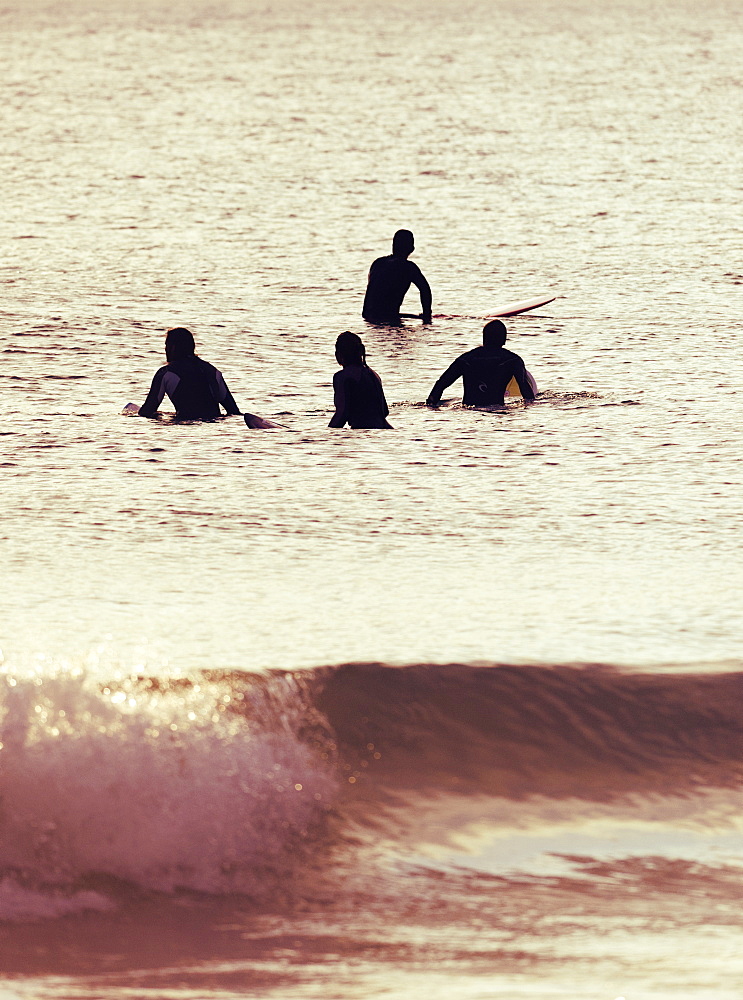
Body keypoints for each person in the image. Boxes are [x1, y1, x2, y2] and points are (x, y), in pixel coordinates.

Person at [426, 320, 536, 408]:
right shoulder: (512, 360)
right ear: (504, 340)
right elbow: (525, 390)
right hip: (497, 409)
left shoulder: (466, 359)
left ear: (484, 338)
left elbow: (441, 384)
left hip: (469, 412)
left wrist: (430, 403)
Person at [138, 327, 241, 420]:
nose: (165, 349)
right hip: (213, 424)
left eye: (166, 345)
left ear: (172, 347)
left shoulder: (166, 373)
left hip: (185, 426)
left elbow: (147, 411)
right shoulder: (213, 371)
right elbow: (234, 412)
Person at [362, 229, 432, 325]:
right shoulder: (408, 267)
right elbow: (425, 290)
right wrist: (427, 316)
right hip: (388, 317)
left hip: (368, 316)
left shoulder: (378, 263)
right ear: (412, 249)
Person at [328, 331, 392, 428]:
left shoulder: (343, 377)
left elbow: (342, 414)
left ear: (338, 354)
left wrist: (326, 436)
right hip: (385, 429)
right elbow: (385, 411)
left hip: (363, 428)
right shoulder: (373, 374)